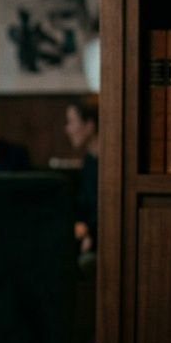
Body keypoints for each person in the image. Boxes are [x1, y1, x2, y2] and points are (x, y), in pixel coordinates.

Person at [64, 95, 99, 254]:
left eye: (71, 122)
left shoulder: (105, 164)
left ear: (90, 125)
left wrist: (89, 232)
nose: (67, 129)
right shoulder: (90, 159)